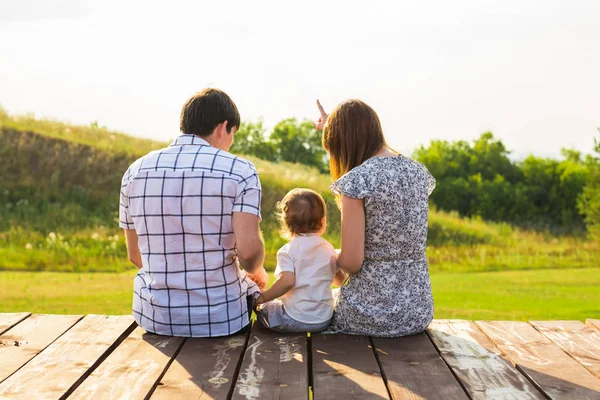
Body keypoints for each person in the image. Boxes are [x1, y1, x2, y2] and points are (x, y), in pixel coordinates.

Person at [119, 88, 268, 337]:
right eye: (233, 134)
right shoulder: (240, 171)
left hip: (156, 319)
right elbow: (250, 255)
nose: (230, 143)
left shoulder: (136, 171)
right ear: (223, 127)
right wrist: (256, 271)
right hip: (222, 320)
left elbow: (135, 255)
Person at [314, 99, 436, 337]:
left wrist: (327, 256)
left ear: (343, 143)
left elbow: (351, 262)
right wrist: (334, 124)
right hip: (418, 311)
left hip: (370, 314)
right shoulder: (418, 172)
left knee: (309, 309)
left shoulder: (357, 181)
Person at [255, 188, 345, 332]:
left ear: (286, 223)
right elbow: (339, 281)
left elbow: (287, 282)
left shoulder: (288, 250)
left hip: (294, 319)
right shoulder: (328, 249)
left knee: (266, 308)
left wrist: (262, 297)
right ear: (323, 222)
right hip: (324, 320)